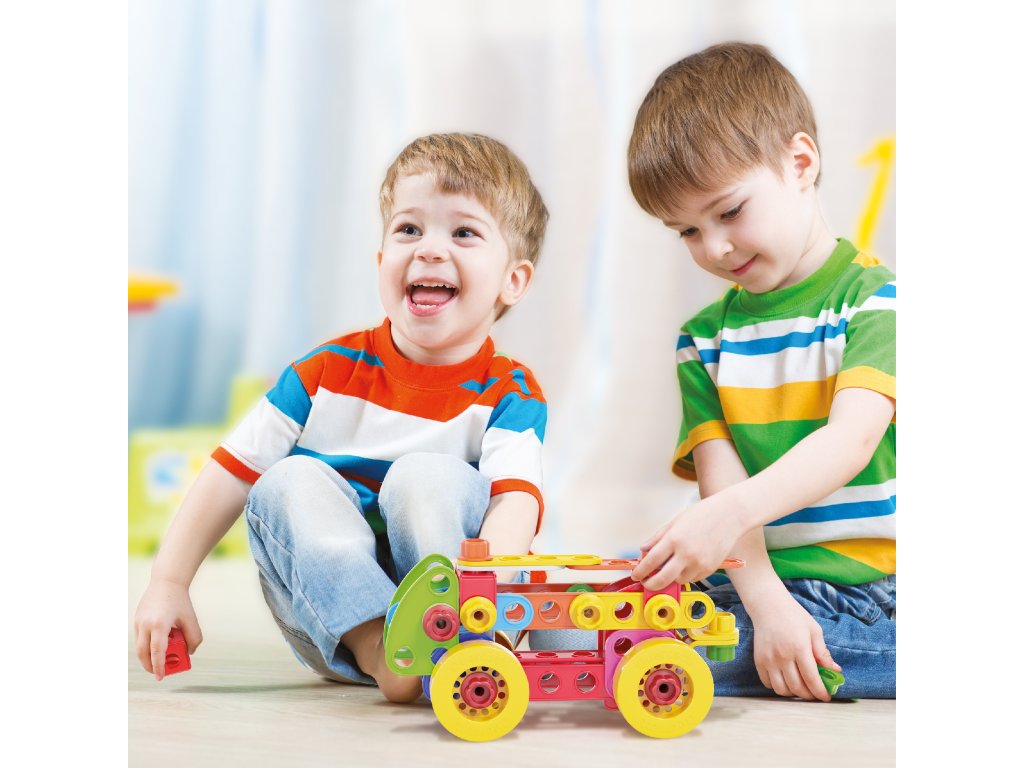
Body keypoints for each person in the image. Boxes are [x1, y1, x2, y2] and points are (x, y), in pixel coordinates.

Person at [134, 133, 550, 703]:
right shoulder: (324, 372)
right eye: (409, 229)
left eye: (463, 233)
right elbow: (230, 473)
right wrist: (168, 581)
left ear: (513, 280)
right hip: (336, 625)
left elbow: (515, 504)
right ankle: (382, 646)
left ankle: (458, 641)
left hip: (464, 611)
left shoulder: (510, 392)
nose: (429, 249)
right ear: (382, 263)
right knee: (282, 482)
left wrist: (488, 611)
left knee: (424, 476)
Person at [626, 42, 895, 701]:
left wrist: (725, 519)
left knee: (652, 657)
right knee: (594, 615)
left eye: (728, 212)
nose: (715, 247)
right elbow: (722, 484)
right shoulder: (703, 340)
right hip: (749, 578)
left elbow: (850, 442)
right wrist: (767, 601)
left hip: (868, 591)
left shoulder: (876, 303)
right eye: (687, 231)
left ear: (800, 163)